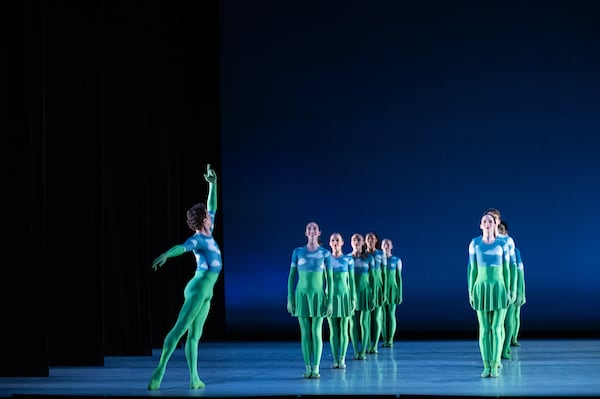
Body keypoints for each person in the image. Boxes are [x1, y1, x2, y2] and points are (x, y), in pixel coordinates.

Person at [148, 164, 221, 390]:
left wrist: (212, 185)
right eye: (207, 217)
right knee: (180, 328)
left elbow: (212, 205)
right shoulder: (198, 238)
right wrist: (166, 255)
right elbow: (182, 247)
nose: (210, 217)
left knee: (194, 335)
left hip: (207, 290)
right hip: (198, 286)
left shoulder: (209, 232)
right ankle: (159, 371)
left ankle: (194, 378)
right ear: (202, 222)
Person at [287, 222, 334, 379]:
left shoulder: (326, 253)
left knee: (316, 332)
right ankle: (308, 367)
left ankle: (316, 367)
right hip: (301, 296)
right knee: (305, 332)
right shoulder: (298, 251)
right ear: (305, 232)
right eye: (309, 228)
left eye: (315, 228)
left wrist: (330, 301)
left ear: (319, 232)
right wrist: (290, 298)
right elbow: (291, 277)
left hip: (318, 296)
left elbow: (331, 280)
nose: (312, 230)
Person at [468, 213, 510, 378]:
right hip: (481, 287)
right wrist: (471, 291)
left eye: (490, 221)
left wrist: (510, 290)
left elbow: (507, 270)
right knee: (484, 329)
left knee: (496, 328)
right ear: (480, 225)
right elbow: (473, 269)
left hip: (499, 287)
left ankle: (495, 364)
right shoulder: (474, 244)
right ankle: (486, 366)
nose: (487, 223)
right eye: (484, 221)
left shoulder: (502, 244)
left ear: (495, 225)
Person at [326, 233, 356, 369]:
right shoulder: (326, 259)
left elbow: (352, 282)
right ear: (330, 243)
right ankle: (335, 359)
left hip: (344, 296)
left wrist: (353, 298)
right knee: (333, 329)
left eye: (337, 240)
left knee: (344, 329)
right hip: (330, 297)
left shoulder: (348, 260)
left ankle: (342, 359)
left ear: (342, 242)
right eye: (333, 240)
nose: (335, 242)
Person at [498, 221, 526, 353]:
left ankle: (510, 341)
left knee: (513, 316)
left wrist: (520, 290)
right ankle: (502, 344)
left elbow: (519, 271)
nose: (499, 232)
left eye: (501, 229)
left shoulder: (514, 250)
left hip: (512, 286)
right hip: (499, 286)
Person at [348, 233, 373, 360]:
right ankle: (355, 351)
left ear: (363, 242)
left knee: (364, 322)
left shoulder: (369, 258)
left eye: (358, 239)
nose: (356, 241)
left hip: (365, 292)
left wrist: (373, 296)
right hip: (351, 294)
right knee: (353, 323)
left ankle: (363, 351)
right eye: (354, 239)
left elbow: (373, 279)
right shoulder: (347, 258)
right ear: (351, 242)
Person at [365, 231, 385, 353]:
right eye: (368, 238)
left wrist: (384, 290)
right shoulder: (363, 255)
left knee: (377, 317)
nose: (370, 240)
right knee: (365, 319)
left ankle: (375, 344)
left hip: (377, 287)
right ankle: (366, 344)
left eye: (372, 238)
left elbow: (384, 274)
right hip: (365, 288)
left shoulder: (381, 254)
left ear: (376, 240)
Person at [381, 238, 403, 347]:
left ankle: (390, 339)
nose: (386, 245)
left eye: (388, 244)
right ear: (381, 246)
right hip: (381, 290)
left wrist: (400, 293)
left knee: (391, 314)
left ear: (391, 246)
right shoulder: (379, 260)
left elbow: (399, 278)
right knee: (383, 316)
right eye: (384, 244)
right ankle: (384, 339)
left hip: (392, 289)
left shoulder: (396, 260)